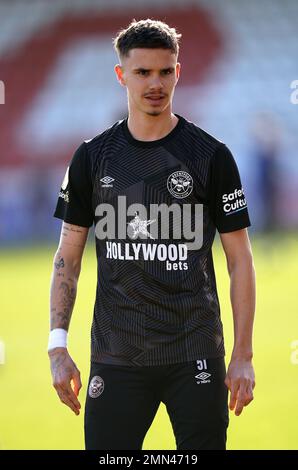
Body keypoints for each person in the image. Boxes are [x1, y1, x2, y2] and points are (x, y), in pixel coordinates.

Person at [48, 19, 256, 451]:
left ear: (178, 72)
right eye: (143, 72)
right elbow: (68, 253)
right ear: (121, 75)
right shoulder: (91, 158)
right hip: (117, 355)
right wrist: (57, 346)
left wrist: (243, 355)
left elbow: (240, 260)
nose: (155, 83)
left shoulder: (212, 156)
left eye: (165, 71)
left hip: (195, 353)